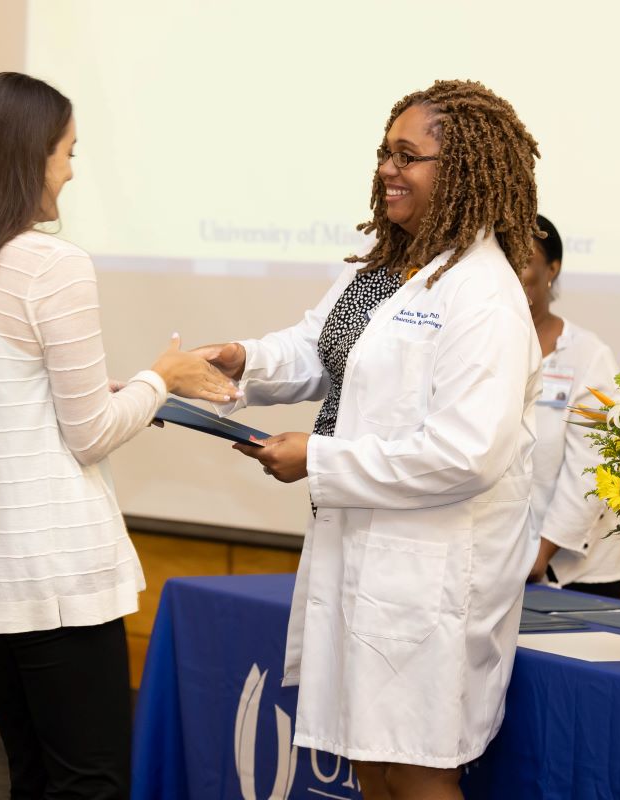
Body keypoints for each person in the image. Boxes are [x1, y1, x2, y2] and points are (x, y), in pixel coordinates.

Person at [195, 80, 542, 800]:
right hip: (365, 555)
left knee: (415, 767)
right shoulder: (392, 269)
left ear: (464, 172)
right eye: (386, 152)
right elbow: (321, 349)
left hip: (431, 572)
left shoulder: (483, 294)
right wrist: (244, 358)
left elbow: (468, 453)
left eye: (408, 156)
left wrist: (316, 461)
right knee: (369, 760)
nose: (388, 169)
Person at [0, 72, 234, 799]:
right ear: (30, 157)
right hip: (55, 575)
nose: (73, 169)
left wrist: (135, 389)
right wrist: (161, 378)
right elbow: (90, 435)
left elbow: (9, 402)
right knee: (90, 784)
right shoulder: (53, 264)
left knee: (37, 779)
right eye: (67, 151)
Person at [522, 215, 620, 597]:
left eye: (523, 259)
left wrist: (542, 550)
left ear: (552, 269)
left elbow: (592, 468)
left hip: (577, 572)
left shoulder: (588, 355)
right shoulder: (484, 346)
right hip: (503, 562)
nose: (510, 272)